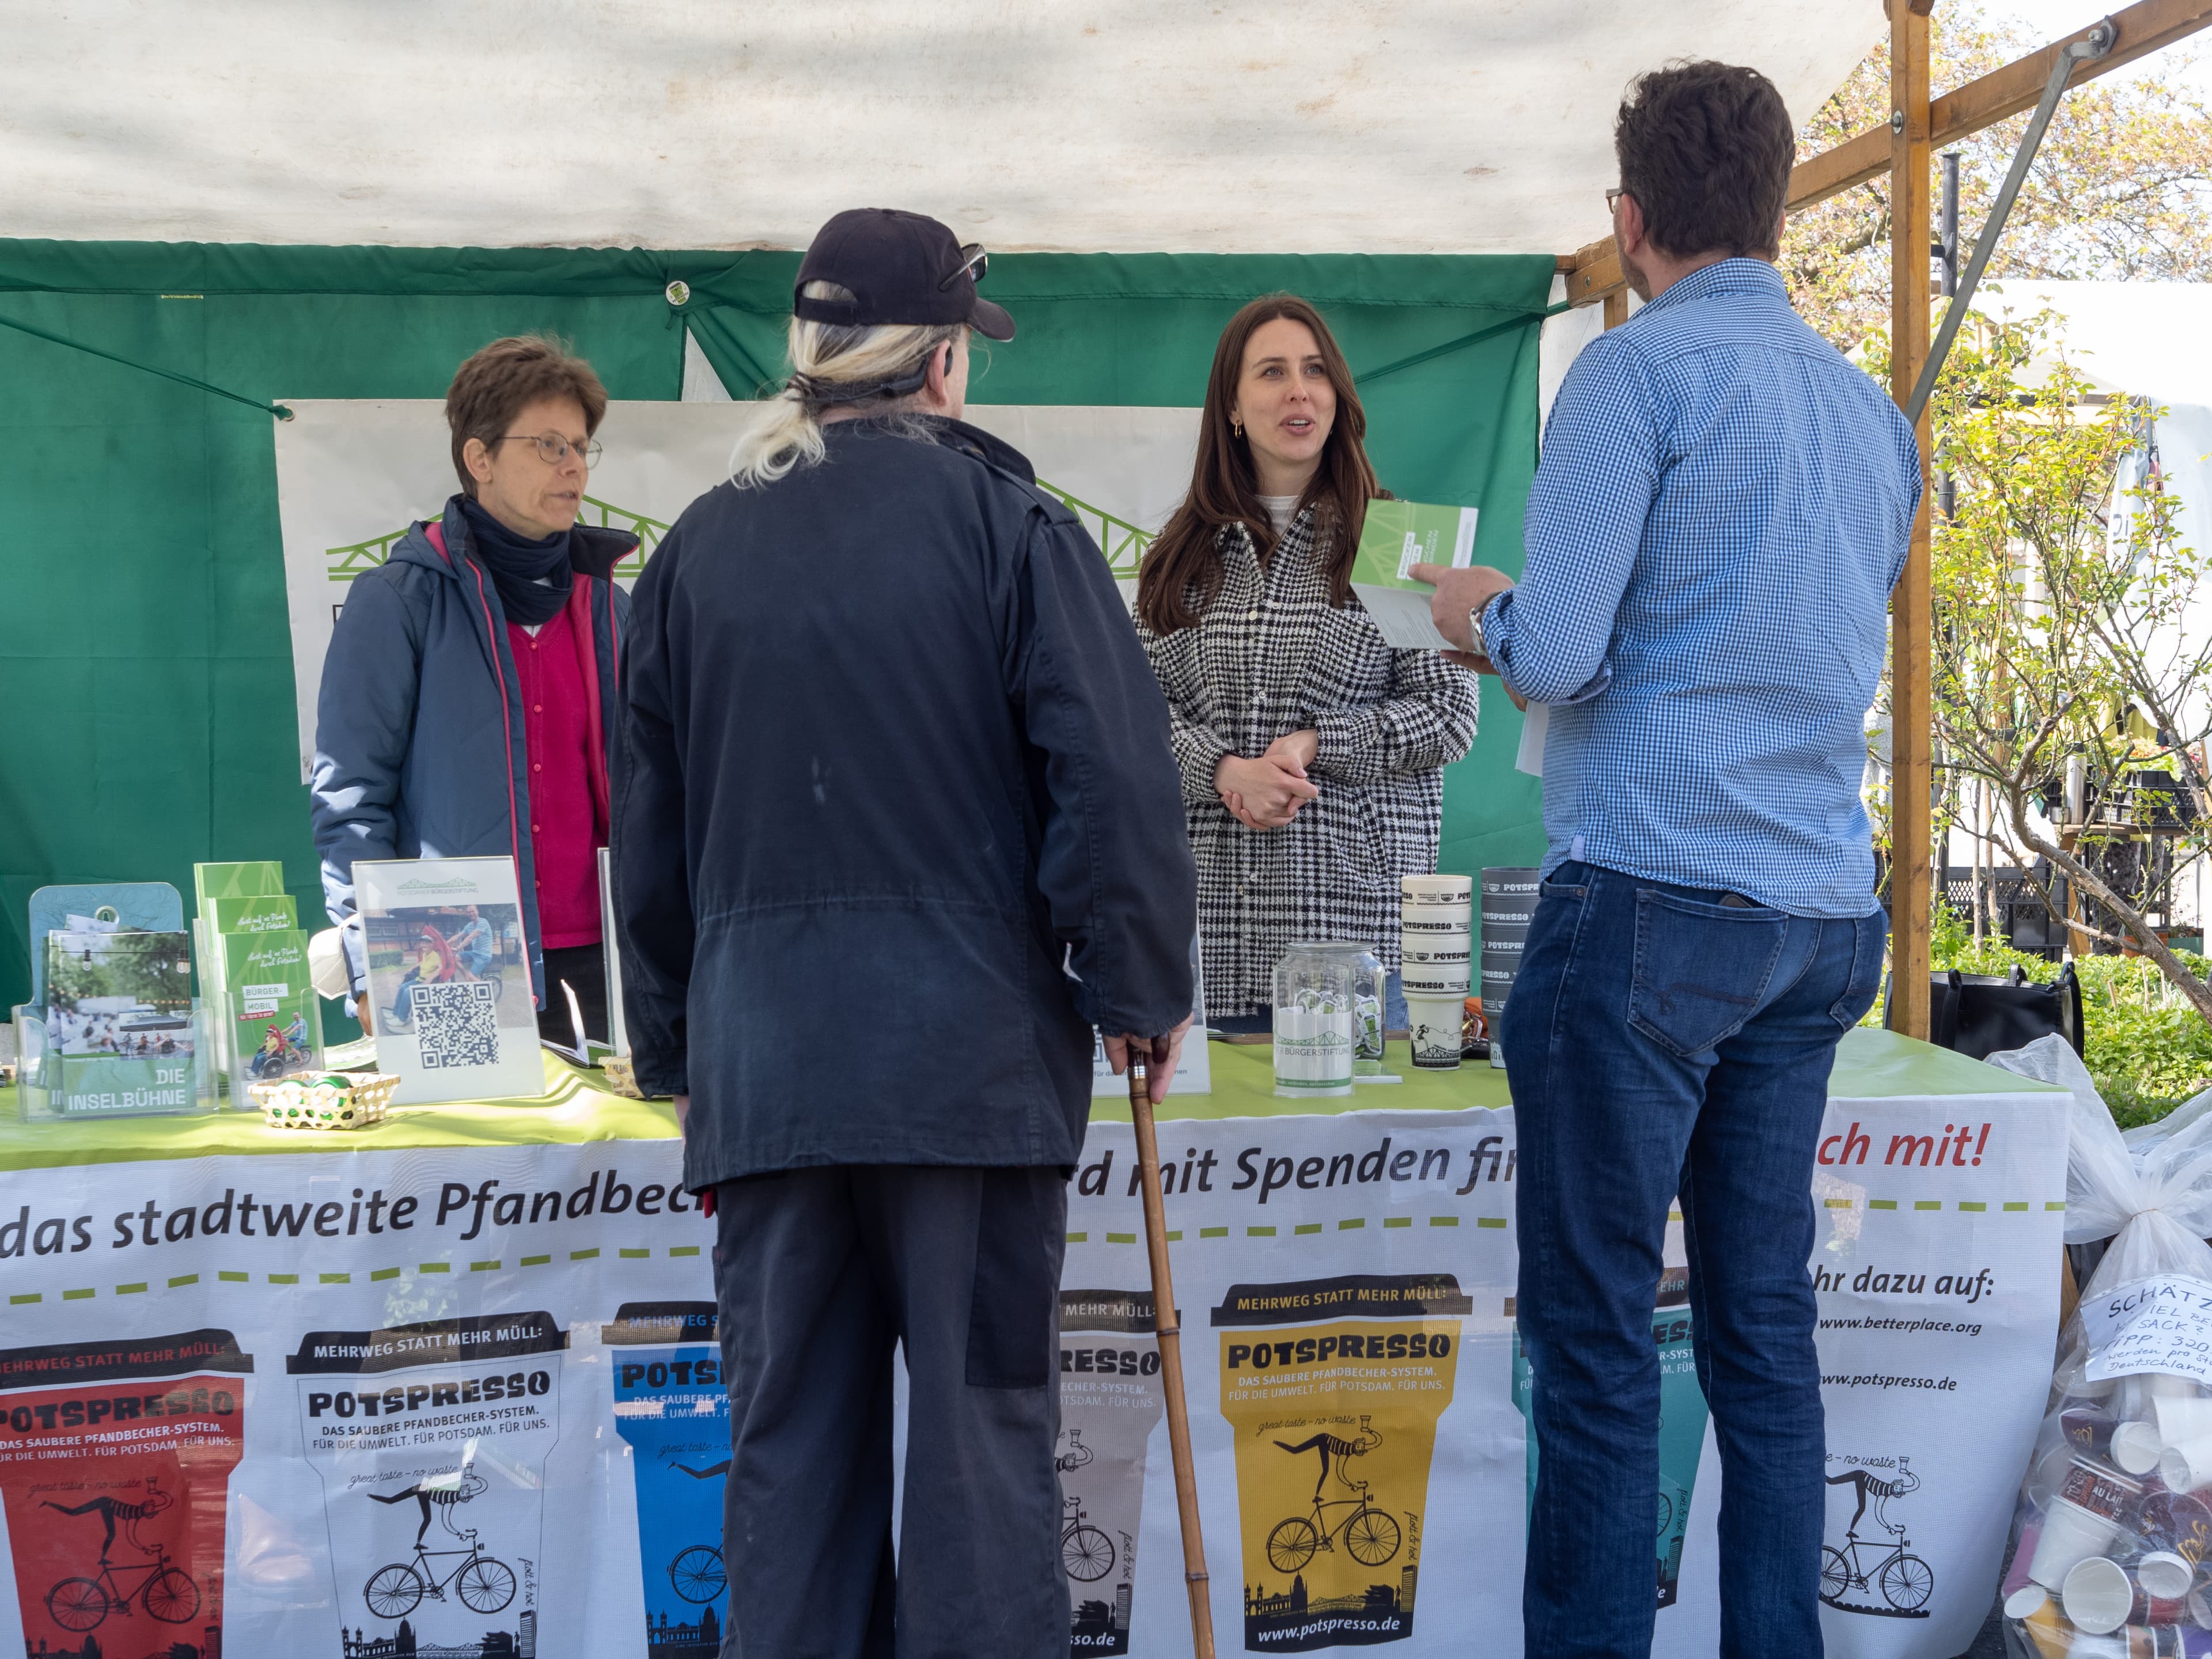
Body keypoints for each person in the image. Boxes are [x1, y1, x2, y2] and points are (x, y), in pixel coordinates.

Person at [613, 207, 1196, 1659]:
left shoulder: (692, 549)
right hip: (967, 1072)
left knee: (789, 1460)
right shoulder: (1011, 522)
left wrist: (678, 1045)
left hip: (768, 1076)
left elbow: (649, 837)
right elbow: (1114, 777)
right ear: (939, 362)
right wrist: (1137, 988)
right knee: (975, 1460)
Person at [1418, 62, 1919, 1658]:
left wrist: (1474, 613)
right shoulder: (1868, 414)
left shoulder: (1636, 379)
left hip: (1647, 903)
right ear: (1778, 207)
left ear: (1629, 222)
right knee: (1765, 1333)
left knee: (1596, 1340)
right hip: (1817, 911)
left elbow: (1558, 659)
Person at [1134, 295, 1478, 1033]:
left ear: (1337, 396)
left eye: (1316, 370)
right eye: (1273, 372)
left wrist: (1314, 745)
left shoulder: (1394, 538)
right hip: (1206, 938)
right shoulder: (1178, 556)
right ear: (1232, 404)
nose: (1299, 390)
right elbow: (1130, 718)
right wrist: (1227, 772)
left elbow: (1450, 716)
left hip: (1353, 936)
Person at [310, 335, 632, 1048]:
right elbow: (352, 796)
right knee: (475, 1160)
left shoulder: (613, 607)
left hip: (610, 962)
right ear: (478, 459)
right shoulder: (398, 600)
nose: (573, 466)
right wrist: (371, 962)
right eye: (549, 445)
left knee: (622, 1162)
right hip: (454, 962)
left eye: (581, 447)